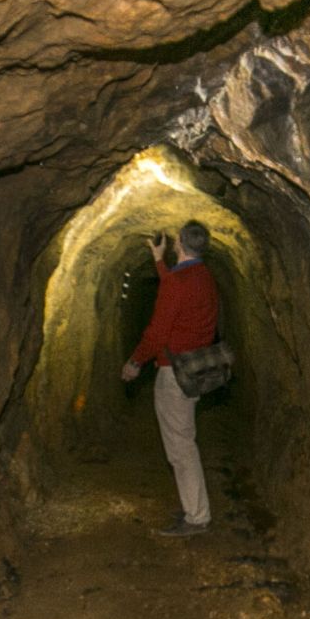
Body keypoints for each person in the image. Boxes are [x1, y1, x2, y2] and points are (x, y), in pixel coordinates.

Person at [121, 220, 220, 536]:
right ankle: (194, 507)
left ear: (179, 242)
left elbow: (157, 331)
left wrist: (135, 362)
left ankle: (197, 517)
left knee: (180, 447)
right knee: (185, 439)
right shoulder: (204, 277)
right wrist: (158, 261)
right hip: (195, 369)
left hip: (173, 372)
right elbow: (177, 288)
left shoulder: (178, 283)